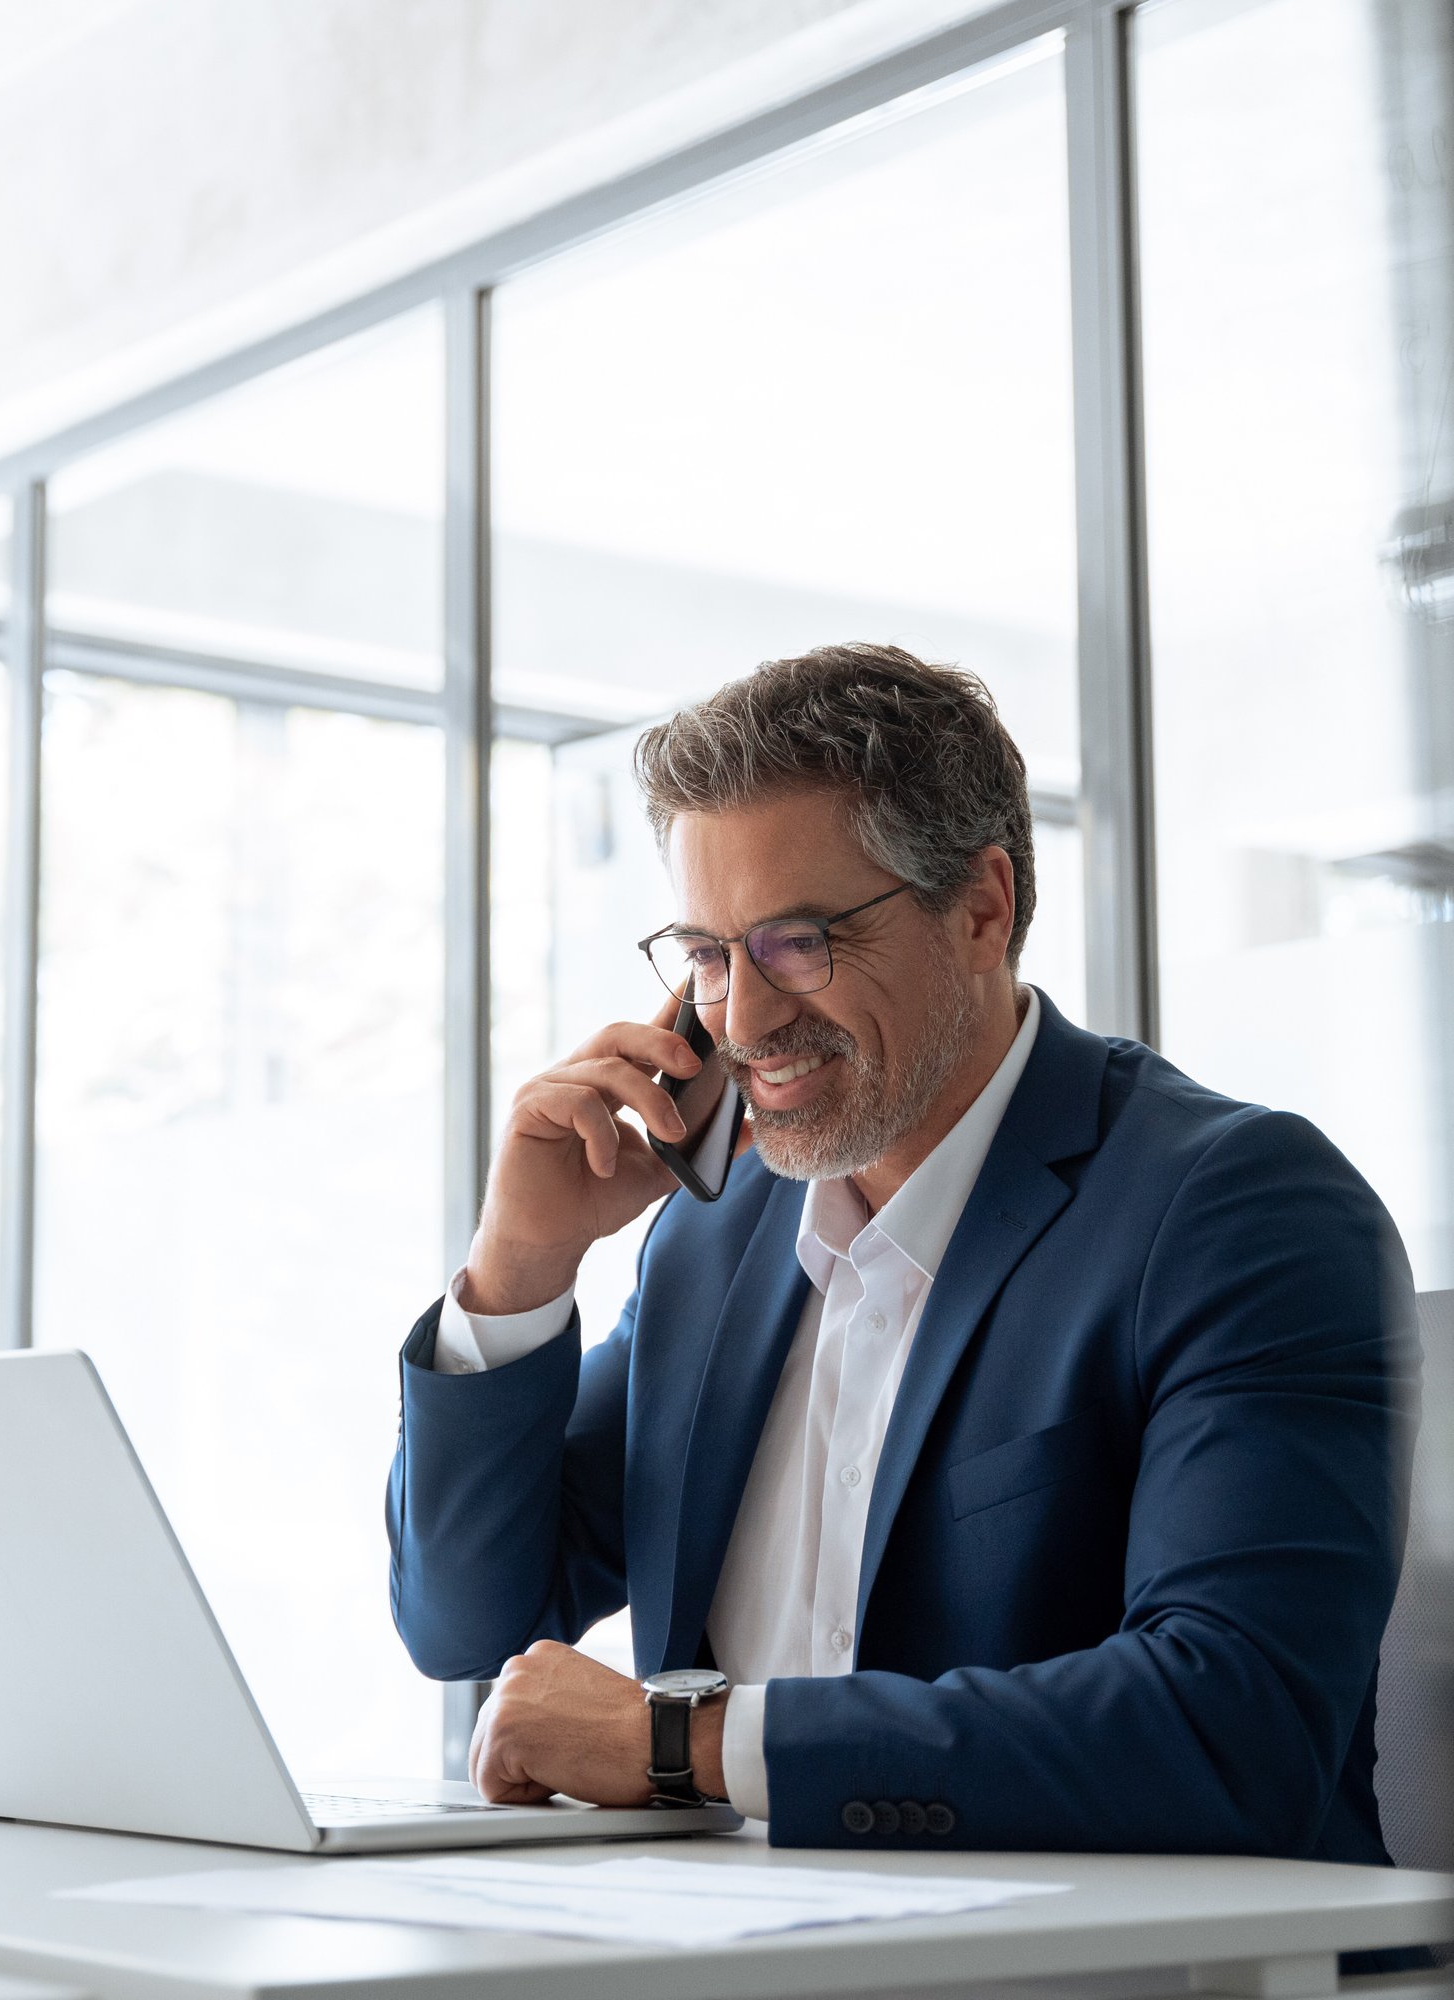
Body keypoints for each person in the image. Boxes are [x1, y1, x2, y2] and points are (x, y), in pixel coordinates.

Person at [386, 642, 1417, 1861]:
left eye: (799, 942)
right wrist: (519, 1268)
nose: (744, 1021)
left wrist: (688, 1741)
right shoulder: (719, 1230)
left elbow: (1231, 1723)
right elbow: (464, 1617)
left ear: (981, 907)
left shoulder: (1234, 1209)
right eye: (709, 957)